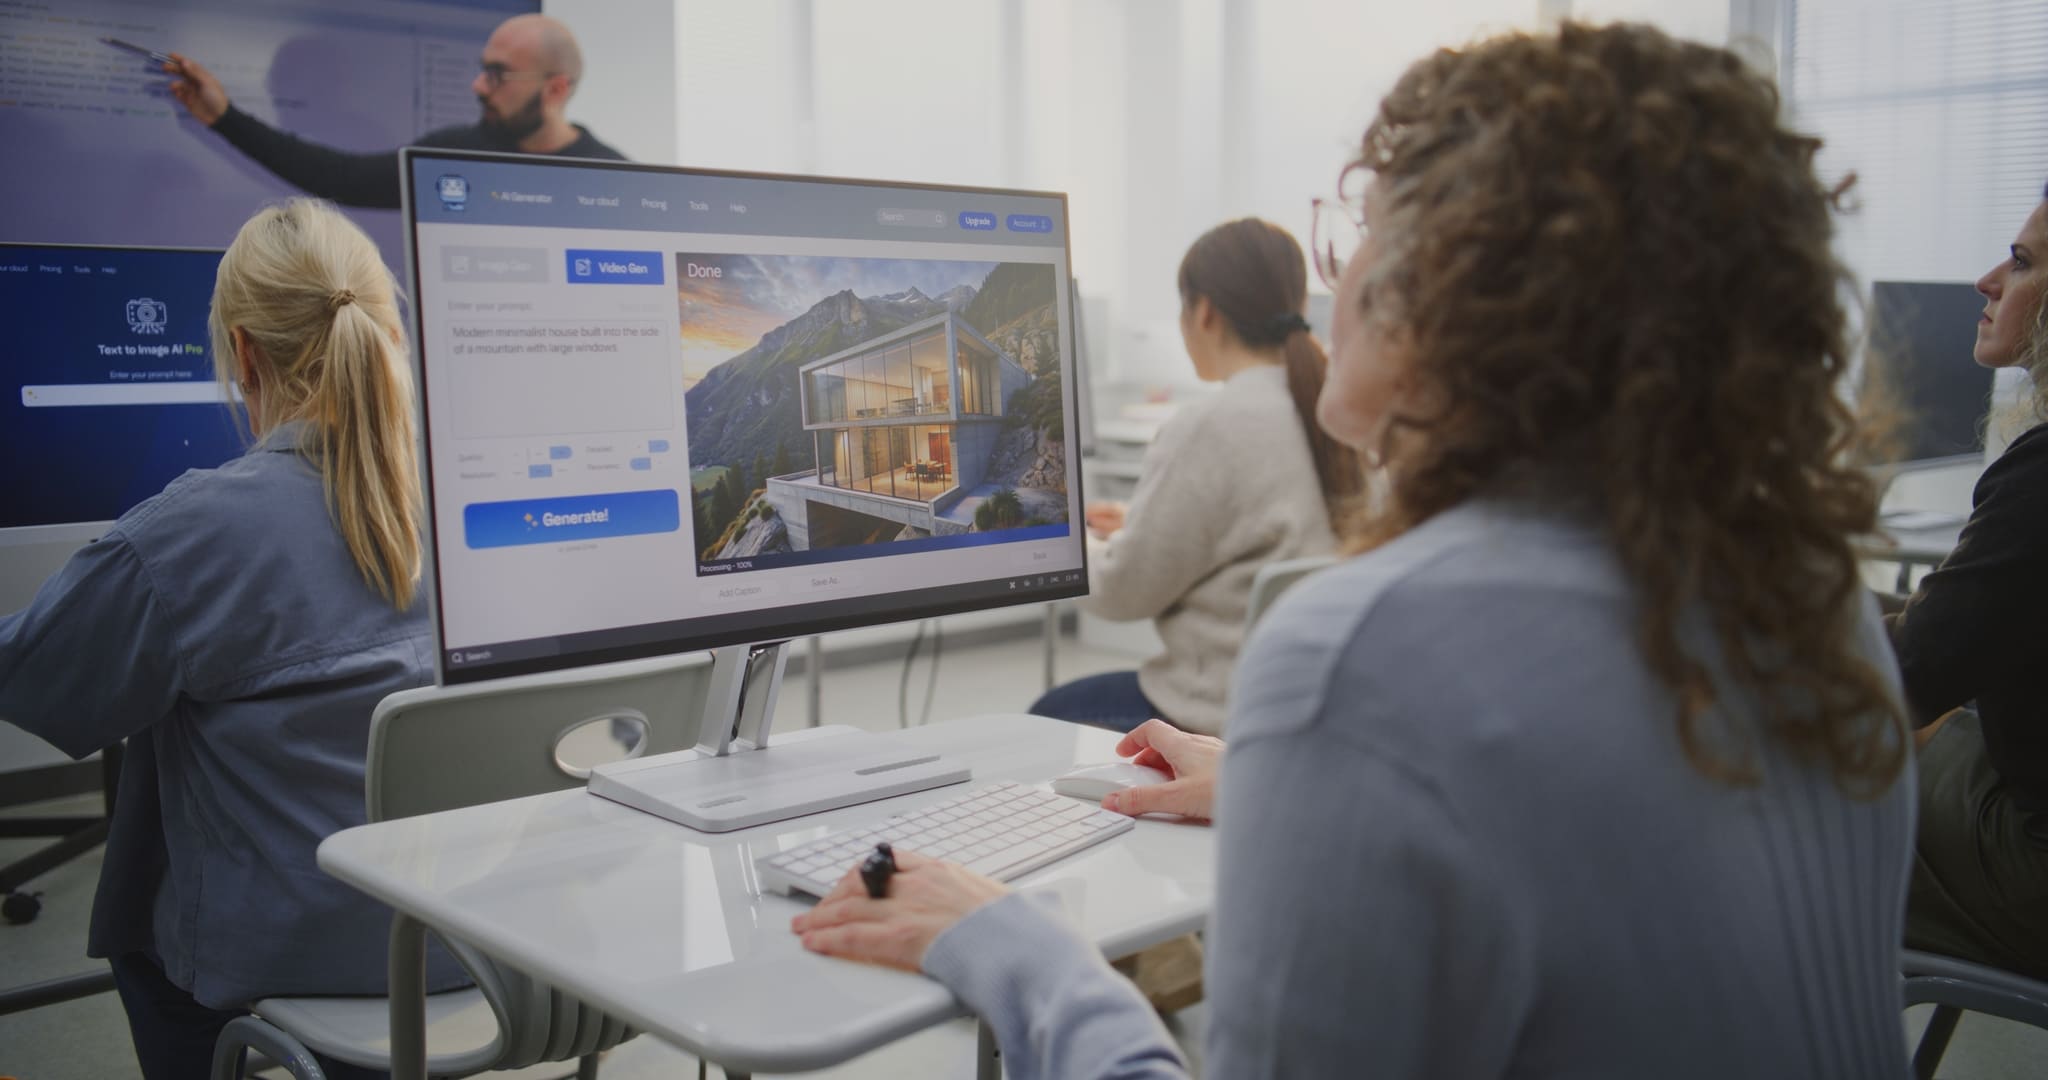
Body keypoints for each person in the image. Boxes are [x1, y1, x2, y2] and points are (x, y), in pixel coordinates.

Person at [791, 22, 1917, 1078]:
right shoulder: (1812, 596)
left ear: (1451, 288)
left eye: (1364, 229)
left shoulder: (1363, 655)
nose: (1339, 275)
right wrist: (1290, 785)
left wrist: (1012, 945)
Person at [0, 200, 466, 1080]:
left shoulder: (189, 534)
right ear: (390, 331)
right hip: (490, 944)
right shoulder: (478, 506)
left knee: (135, 914)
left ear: (244, 354)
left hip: (302, 966)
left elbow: (33, 681)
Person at [1027, 219, 1364, 734]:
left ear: (1203, 311)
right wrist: (1135, 522)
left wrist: (1069, 540)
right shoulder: (1341, 413)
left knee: (1046, 718)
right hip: (1316, 706)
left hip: (1216, 712)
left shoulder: (1208, 425)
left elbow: (1121, 593)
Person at [1888, 181, 2048, 980]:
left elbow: (1907, 679)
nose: (1987, 282)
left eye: (2020, 263)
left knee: (1794, 797)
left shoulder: (2041, 477)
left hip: (2033, 874)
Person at [162, 13, 625, 209]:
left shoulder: (616, 181)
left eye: (497, 74)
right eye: (482, 70)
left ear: (556, 88)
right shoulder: (453, 156)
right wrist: (224, 118)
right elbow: (339, 177)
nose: (478, 86)